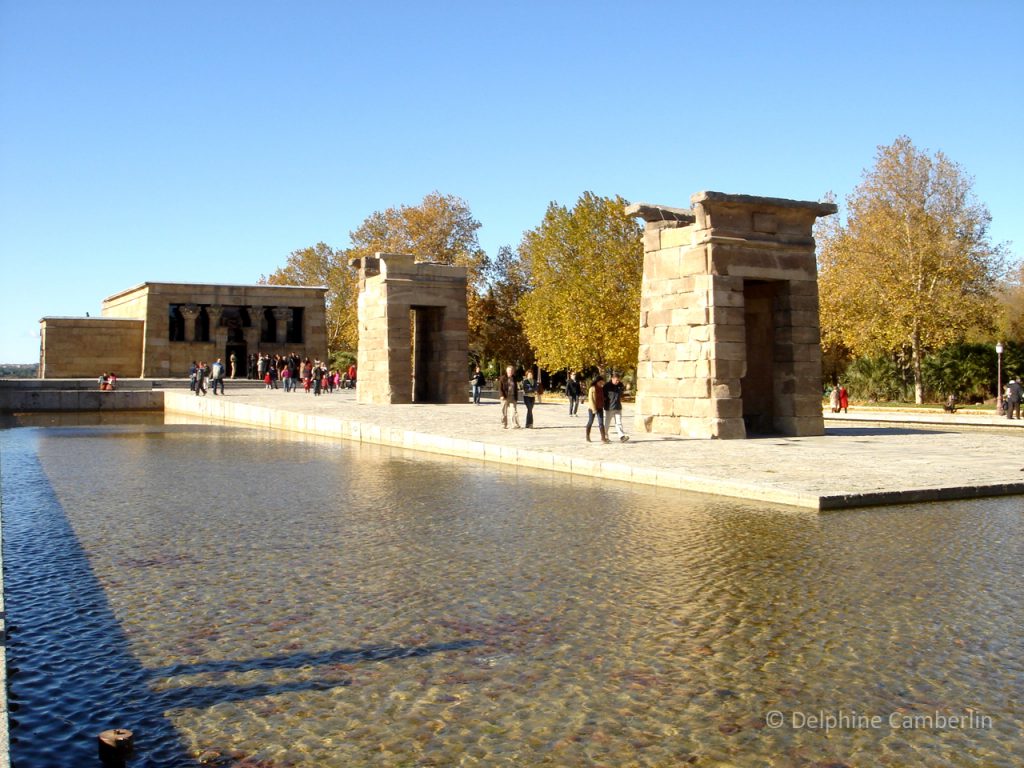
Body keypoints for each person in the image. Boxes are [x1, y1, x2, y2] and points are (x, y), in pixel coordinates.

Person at [604, 372, 629, 442]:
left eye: (618, 380)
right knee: (607, 423)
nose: (617, 381)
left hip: (618, 407)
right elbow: (604, 396)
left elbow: (622, 393)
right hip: (609, 407)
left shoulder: (620, 385)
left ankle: (622, 436)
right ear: (612, 379)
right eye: (616, 380)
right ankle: (605, 436)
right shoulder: (607, 386)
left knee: (619, 422)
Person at [586, 375, 609, 443]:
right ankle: (587, 436)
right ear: (598, 381)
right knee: (590, 422)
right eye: (601, 381)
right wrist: (594, 409)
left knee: (601, 423)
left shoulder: (601, 388)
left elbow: (602, 397)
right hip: (592, 408)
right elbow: (591, 399)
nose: (602, 383)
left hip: (600, 407)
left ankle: (603, 438)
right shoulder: (592, 388)